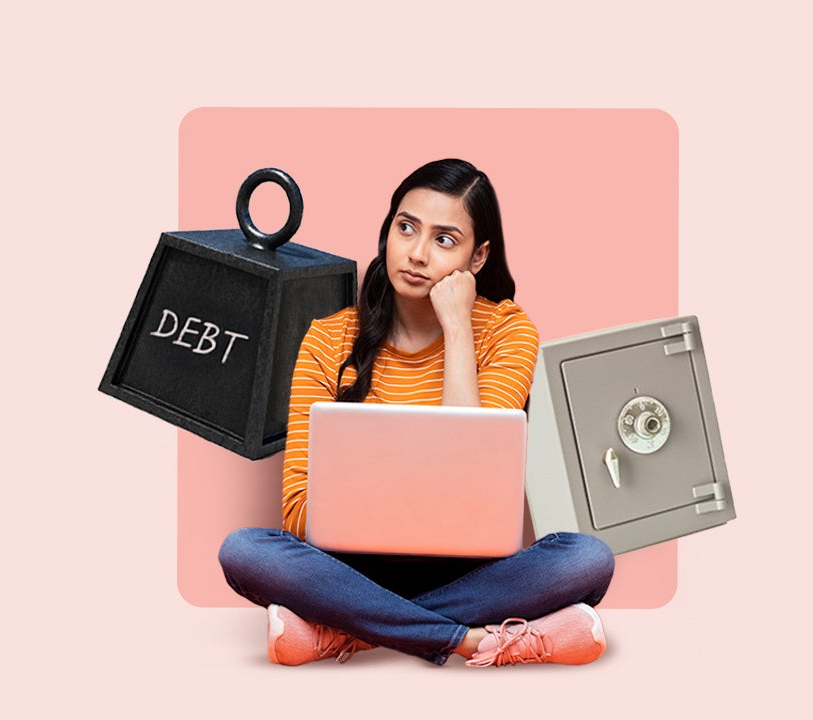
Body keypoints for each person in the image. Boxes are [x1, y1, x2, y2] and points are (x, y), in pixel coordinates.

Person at [218, 159, 614, 667]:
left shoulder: (507, 331)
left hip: (468, 568)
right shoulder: (328, 337)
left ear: (478, 256)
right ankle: (469, 639)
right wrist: (374, 501)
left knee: (586, 559)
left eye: (445, 240)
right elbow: (296, 514)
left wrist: (457, 327)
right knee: (245, 550)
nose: (417, 253)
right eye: (406, 228)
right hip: (349, 568)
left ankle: (348, 629)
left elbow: (472, 474)